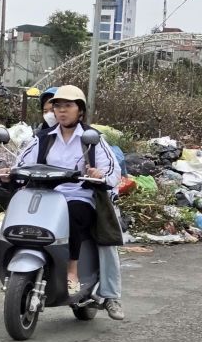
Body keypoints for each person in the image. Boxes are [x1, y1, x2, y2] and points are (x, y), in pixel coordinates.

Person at [14, 85, 125, 321]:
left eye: (68, 106)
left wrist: (99, 175)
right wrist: (9, 171)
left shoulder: (92, 139)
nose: (61, 111)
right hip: (45, 196)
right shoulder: (43, 139)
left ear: (80, 111)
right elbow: (21, 162)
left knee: (72, 214)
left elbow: (113, 171)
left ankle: (73, 273)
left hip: (80, 196)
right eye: (57, 106)